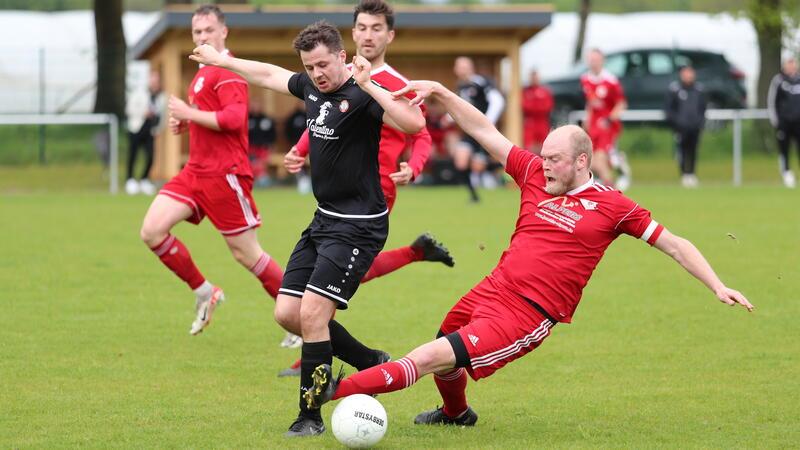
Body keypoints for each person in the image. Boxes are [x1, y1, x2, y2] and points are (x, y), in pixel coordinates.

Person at [304, 79, 754, 429]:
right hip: (493, 287)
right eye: (544, 156)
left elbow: (673, 243)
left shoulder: (615, 207)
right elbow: (483, 130)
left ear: (582, 162)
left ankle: (328, 391)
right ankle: (457, 414)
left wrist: (717, 284)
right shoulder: (535, 174)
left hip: (528, 313)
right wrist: (441, 92)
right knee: (445, 343)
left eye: (555, 159)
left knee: (426, 358)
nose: (545, 165)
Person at [188, 20, 426, 437]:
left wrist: (370, 86)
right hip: (324, 219)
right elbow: (267, 74)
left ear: (341, 56)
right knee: (287, 313)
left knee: (314, 314)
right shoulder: (313, 87)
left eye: (322, 64)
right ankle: (369, 359)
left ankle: (310, 416)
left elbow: (413, 124)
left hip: (358, 227)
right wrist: (221, 60)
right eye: (308, 66)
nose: (316, 73)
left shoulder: (363, 92)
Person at [277, 0, 455, 367]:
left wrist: (414, 167)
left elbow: (420, 133)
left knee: (337, 275)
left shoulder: (392, 84)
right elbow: (325, 118)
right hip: (337, 192)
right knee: (334, 278)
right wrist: (300, 149)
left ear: (390, 36)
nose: (368, 35)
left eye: (377, 28)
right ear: (352, 34)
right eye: (362, 27)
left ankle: (319, 345)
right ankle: (326, 340)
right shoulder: (329, 75)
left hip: (372, 193)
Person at [138, 5, 283, 336]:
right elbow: (211, 119)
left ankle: (300, 320)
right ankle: (205, 292)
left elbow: (234, 119)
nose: (202, 37)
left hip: (224, 176)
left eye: (208, 31)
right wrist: (188, 123)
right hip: (195, 173)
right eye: (197, 33)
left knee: (247, 255)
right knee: (152, 231)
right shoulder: (204, 71)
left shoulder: (227, 71)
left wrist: (189, 114)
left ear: (223, 32)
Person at [453, 56, 506, 202]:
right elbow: (459, 107)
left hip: (483, 131)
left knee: (477, 166)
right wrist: (448, 118)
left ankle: (492, 177)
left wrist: (488, 121)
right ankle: (473, 195)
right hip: (469, 131)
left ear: (470, 67)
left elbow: (498, 100)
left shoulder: (480, 82)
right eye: (457, 66)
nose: (459, 69)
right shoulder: (461, 86)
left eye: (462, 66)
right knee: (460, 161)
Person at [580, 48, 627, 188]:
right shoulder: (585, 80)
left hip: (607, 126)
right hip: (593, 126)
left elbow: (621, 103)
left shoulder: (610, 80)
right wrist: (587, 120)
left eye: (596, 60)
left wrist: (609, 119)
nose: (593, 63)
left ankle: (609, 188)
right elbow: (590, 103)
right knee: (590, 161)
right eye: (591, 60)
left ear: (602, 61)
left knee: (599, 158)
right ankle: (617, 162)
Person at [665, 65, 707, 188]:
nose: (688, 75)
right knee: (682, 151)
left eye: (690, 72)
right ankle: (684, 174)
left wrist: (699, 121)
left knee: (693, 150)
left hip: (695, 127)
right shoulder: (674, 89)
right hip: (681, 128)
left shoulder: (699, 89)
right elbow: (669, 109)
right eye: (686, 72)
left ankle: (692, 174)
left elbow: (703, 108)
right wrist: (677, 122)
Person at [125, 69, 165, 195]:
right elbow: (129, 109)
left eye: (157, 80)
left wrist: (158, 129)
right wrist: (144, 113)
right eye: (152, 79)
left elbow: (163, 116)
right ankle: (130, 180)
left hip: (150, 131)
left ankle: (144, 179)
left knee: (151, 156)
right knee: (133, 154)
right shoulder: (139, 93)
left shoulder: (161, 97)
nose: (154, 82)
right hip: (136, 128)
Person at [767, 56, 800, 188]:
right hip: (784, 123)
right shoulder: (778, 81)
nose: (791, 66)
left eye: (793, 63)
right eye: (789, 63)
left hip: (799, 122)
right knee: (784, 150)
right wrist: (776, 121)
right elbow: (771, 101)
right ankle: (786, 173)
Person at [247, 96, 277, 188]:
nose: (255, 108)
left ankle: (261, 180)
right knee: (251, 163)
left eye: (257, 106)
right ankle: (258, 180)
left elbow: (273, 135)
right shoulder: (246, 119)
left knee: (260, 163)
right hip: (250, 148)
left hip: (264, 148)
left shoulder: (266, 119)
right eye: (253, 106)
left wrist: (271, 147)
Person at [521, 69, 553, 154]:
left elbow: (548, 106)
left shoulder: (545, 91)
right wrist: (538, 106)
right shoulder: (525, 91)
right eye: (532, 77)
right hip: (530, 123)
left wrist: (534, 106)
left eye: (536, 77)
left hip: (542, 122)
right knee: (529, 148)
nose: (534, 79)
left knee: (545, 147)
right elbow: (524, 106)